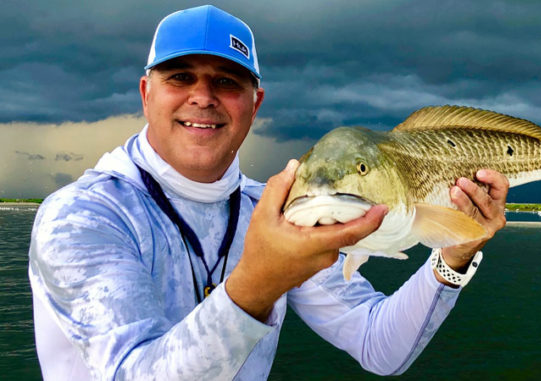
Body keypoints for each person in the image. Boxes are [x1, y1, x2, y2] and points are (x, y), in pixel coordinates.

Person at [28, 5, 508, 380]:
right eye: (180, 77)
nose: (202, 95)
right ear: (145, 93)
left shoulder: (279, 213)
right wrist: (258, 283)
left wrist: (455, 254)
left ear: (254, 103)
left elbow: (378, 346)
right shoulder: (82, 217)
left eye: (226, 81)